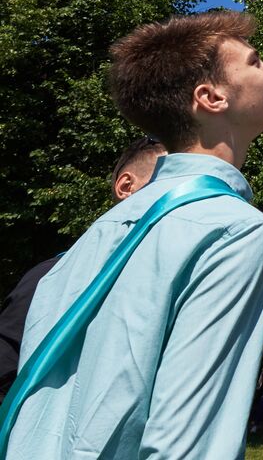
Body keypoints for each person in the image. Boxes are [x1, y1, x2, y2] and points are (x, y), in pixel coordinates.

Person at [2, 12, 263, 458]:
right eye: (256, 62)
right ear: (211, 96)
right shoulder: (234, 230)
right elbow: (189, 443)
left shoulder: (97, 235)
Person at [0, 136, 167, 397]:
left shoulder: (163, 283)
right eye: (170, 185)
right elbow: (5, 365)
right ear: (126, 186)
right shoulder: (51, 277)